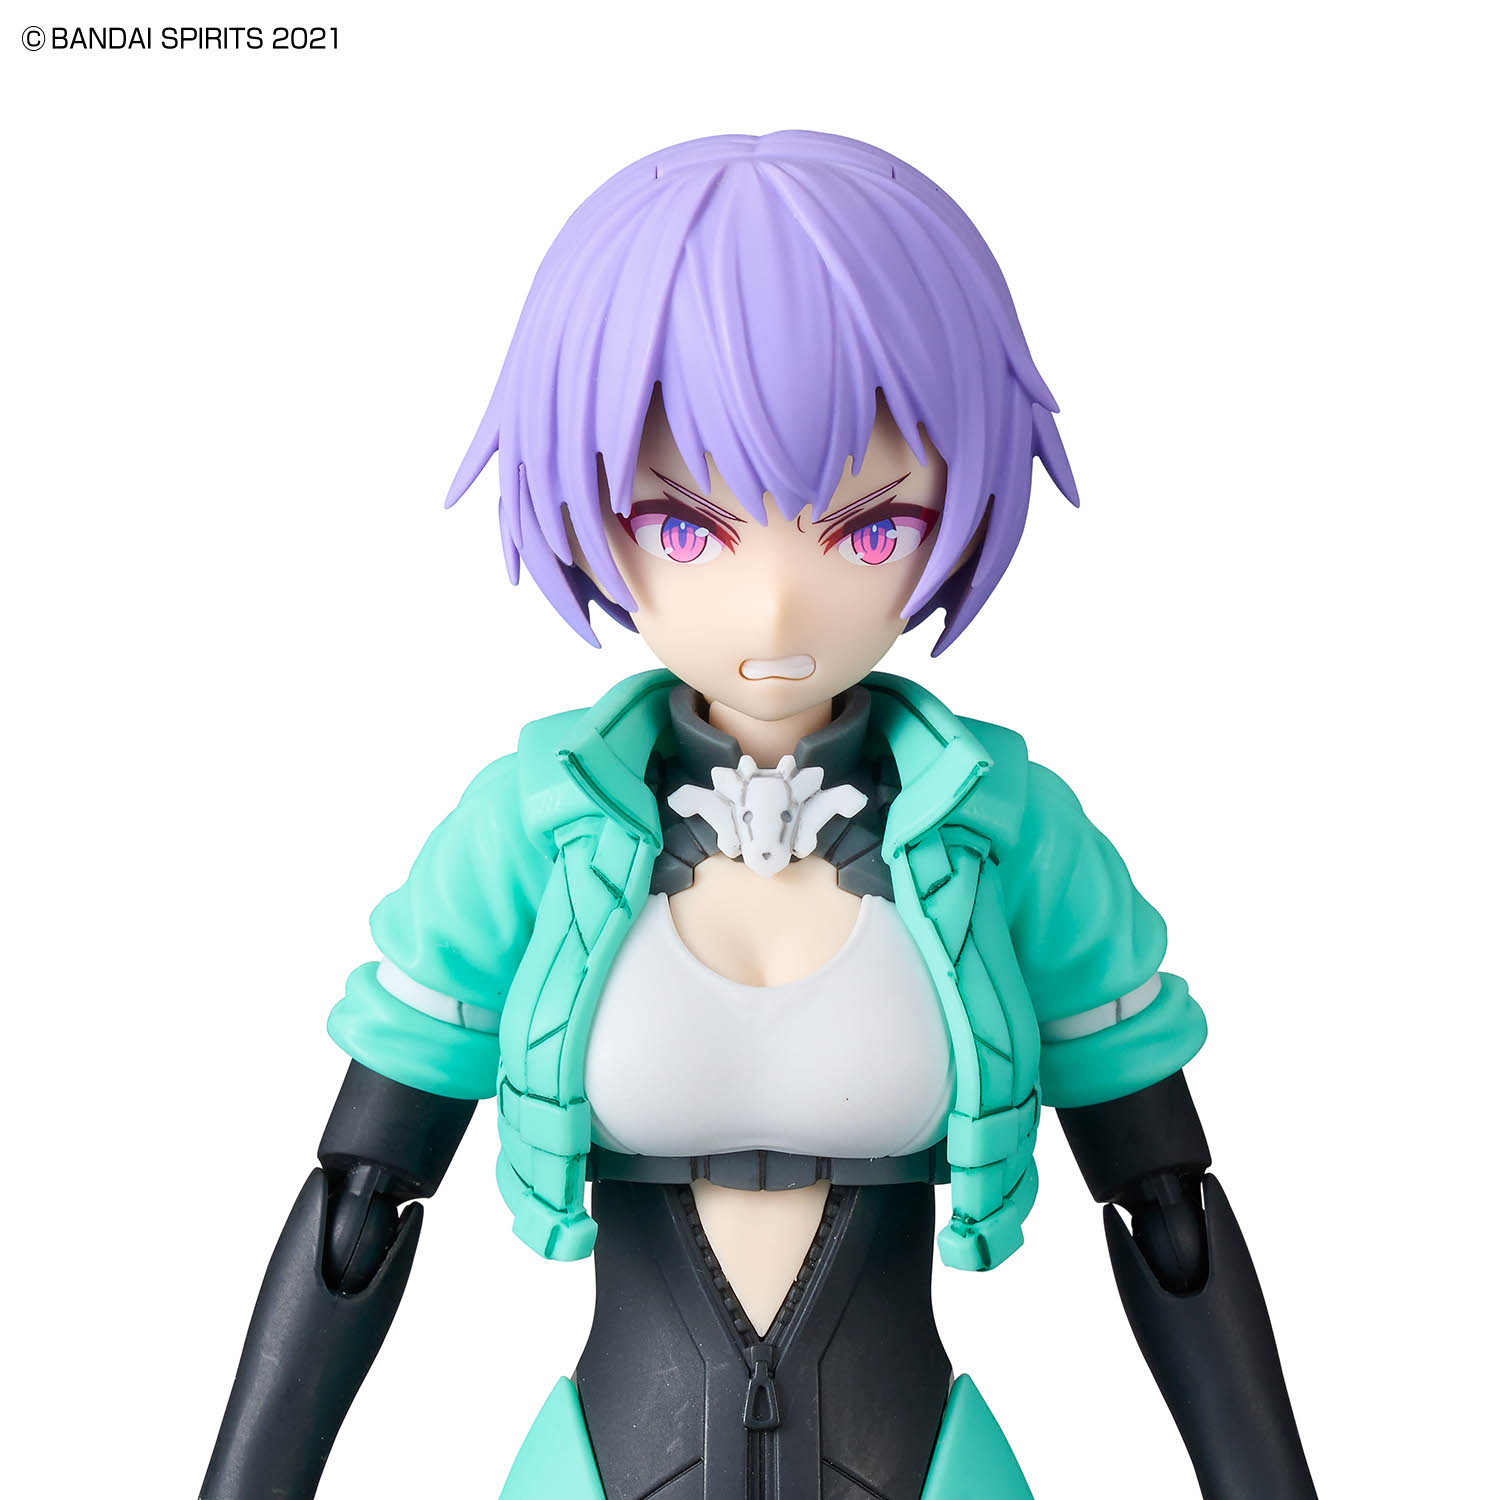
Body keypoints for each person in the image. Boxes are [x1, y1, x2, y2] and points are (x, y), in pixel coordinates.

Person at [203, 131, 1317, 1500]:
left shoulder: (1002, 827)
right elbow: (361, 1205)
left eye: (868, 530)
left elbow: (1165, 1211)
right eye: (686, 528)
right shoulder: (535, 827)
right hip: (608, 1466)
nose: (779, 606)